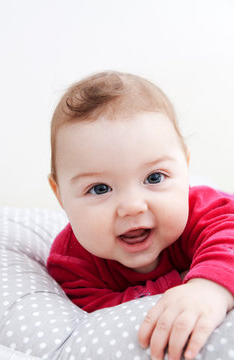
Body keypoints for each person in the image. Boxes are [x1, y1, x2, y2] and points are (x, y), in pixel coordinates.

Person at [47, 71, 234, 360]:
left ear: (184, 170)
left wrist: (208, 286)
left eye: (154, 177)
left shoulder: (207, 211)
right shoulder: (72, 264)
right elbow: (107, 317)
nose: (133, 206)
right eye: (100, 188)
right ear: (60, 196)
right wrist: (178, 281)